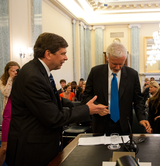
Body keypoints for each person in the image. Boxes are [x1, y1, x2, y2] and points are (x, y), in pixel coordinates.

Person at [6, 32, 107, 166]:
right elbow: (53, 117)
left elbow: (53, 101)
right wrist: (86, 110)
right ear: (48, 54)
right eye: (63, 53)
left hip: (39, 145)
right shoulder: (33, 77)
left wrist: (82, 106)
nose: (66, 58)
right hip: (32, 151)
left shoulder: (39, 71)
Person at [82, 42, 151, 134]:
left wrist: (142, 118)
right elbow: (87, 96)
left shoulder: (132, 74)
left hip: (123, 124)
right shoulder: (96, 72)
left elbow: (138, 99)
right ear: (107, 58)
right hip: (101, 122)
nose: (118, 67)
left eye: (121, 64)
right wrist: (96, 106)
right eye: (114, 63)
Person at [0, 61, 20, 165]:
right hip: (8, 112)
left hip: (19, 114)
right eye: (12, 70)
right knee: (4, 148)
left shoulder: (21, 81)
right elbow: (6, 92)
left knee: (19, 147)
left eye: (16, 70)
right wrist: (10, 78)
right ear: (7, 71)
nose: (15, 72)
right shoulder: (3, 80)